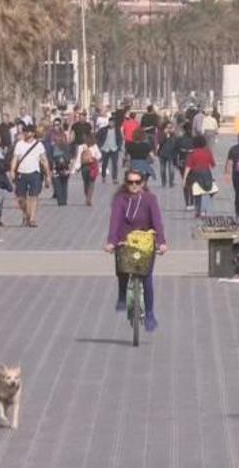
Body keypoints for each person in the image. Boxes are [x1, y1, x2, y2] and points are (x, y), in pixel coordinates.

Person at [104, 169, 168, 332]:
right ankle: (122, 295)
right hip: (125, 240)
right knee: (122, 267)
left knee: (146, 278)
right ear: (126, 183)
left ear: (143, 183)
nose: (133, 185)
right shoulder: (120, 200)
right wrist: (112, 242)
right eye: (130, 182)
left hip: (145, 242)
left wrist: (161, 242)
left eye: (137, 182)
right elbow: (114, 222)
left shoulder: (150, 199)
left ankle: (150, 314)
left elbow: (157, 222)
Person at [10, 124, 51, 227]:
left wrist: (48, 175)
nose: (26, 133)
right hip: (21, 172)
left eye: (28, 131)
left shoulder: (39, 145)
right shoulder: (19, 144)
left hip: (34, 172)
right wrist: (12, 170)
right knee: (21, 198)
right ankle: (26, 213)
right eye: (25, 131)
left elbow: (44, 160)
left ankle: (32, 218)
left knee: (34, 196)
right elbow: (15, 158)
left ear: (33, 133)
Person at [184, 135, 217, 218]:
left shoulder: (192, 153)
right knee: (207, 192)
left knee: (197, 192)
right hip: (206, 173)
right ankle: (204, 210)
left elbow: (188, 167)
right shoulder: (208, 152)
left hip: (195, 174)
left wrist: (184, 179)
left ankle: (198, 210)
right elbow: (213, 164)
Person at [73, 133, 102, 206]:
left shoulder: (81, 147)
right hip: (92, 166)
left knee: (86, 183)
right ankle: (89, 198)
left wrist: (76, 168)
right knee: (91, 183)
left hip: (84, 167)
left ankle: (87, 196)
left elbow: (79, 158)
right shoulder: (94, 146)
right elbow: (99, 156)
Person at [97, 117, 123, 184]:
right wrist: (100, 145)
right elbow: (97, 137)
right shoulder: (103, 129)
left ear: (115, 123)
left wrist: (119, 146)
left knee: (114, 164)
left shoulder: (117, 130)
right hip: (105, 149)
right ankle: (103, 176)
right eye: (110, 122)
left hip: (114, 149)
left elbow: (120, 138)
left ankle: (114, 178)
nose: (111, 123)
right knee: (104, 164)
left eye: (112, 122)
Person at [157, 123, 177, 188]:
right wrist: (165, 136)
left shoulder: (174, 135)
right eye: (168, 127)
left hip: (171, 153)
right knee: (162, 169)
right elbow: (159, 142)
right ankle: (164, 182)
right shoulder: (162, 134)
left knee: (171, 169)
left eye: (170, 127)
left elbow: (176, 144)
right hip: (163, 153)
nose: (169, 129)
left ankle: (171, 182)